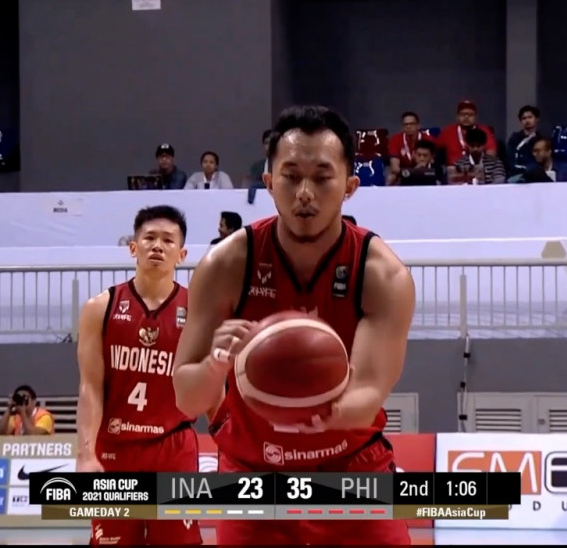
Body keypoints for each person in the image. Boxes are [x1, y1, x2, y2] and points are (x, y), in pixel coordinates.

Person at [173, 106, 416, 545]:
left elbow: (367, 395)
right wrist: (214, 365)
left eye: (322, 177)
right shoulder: (225, 264)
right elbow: (186, 399)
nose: (305, 193)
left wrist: (313, 406)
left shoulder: (382, 274)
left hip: (351, 471)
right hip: (252, 476)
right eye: (290, 176)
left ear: (350, 187)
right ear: (269, 183)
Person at [76, 205, 202, 546]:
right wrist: (85, 454)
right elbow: (90, 387)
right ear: (133, 247)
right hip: (116, 446)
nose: (157, 246)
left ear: (182, 254)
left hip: (174, 446)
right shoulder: (99, 308)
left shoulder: (198, 311)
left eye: (168, 240)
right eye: (149, 238)